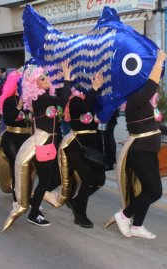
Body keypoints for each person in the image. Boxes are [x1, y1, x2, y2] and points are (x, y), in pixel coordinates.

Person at [106, 50, 167, 239]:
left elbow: (152, 125)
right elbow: (151, 85)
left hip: (148, 150)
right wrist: (159, 61)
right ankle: (124, 216)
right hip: (140, 151)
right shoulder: (135, 99)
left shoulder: (141, 101)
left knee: (147, 190)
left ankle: (137, 226)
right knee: (154, 191)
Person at [1, 61, 72, 231]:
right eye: (42, 77)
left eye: (46, 75)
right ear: (35, 83)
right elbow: (62, 100)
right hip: (43, 142)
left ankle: (35, 201)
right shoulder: (40, 97)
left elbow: (60, 99)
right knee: (46, 179)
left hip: (49, 142)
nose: (47, 78)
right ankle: (34, 213)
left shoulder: (45, 96)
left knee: (49, 178)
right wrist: (67, 78)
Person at [60, 72, 106, 228]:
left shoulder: (91, 99)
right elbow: (85, 108)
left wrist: (99, 90)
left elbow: (101, 111)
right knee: (87, 180)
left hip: (92, 146)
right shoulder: (74, 102)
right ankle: (80, 215)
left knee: (100, 180)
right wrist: (94, 89)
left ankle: (75, 201)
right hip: (77, 147)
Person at [0, 70, 33, 202]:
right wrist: (18, 107)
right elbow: (8, 119)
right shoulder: (9, 101)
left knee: (28, 167)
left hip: (26, 138)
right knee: (16, 167)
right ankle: (17, 198)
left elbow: (30, 120)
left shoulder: (28, 101)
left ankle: (27, 195)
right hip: (11, 138)